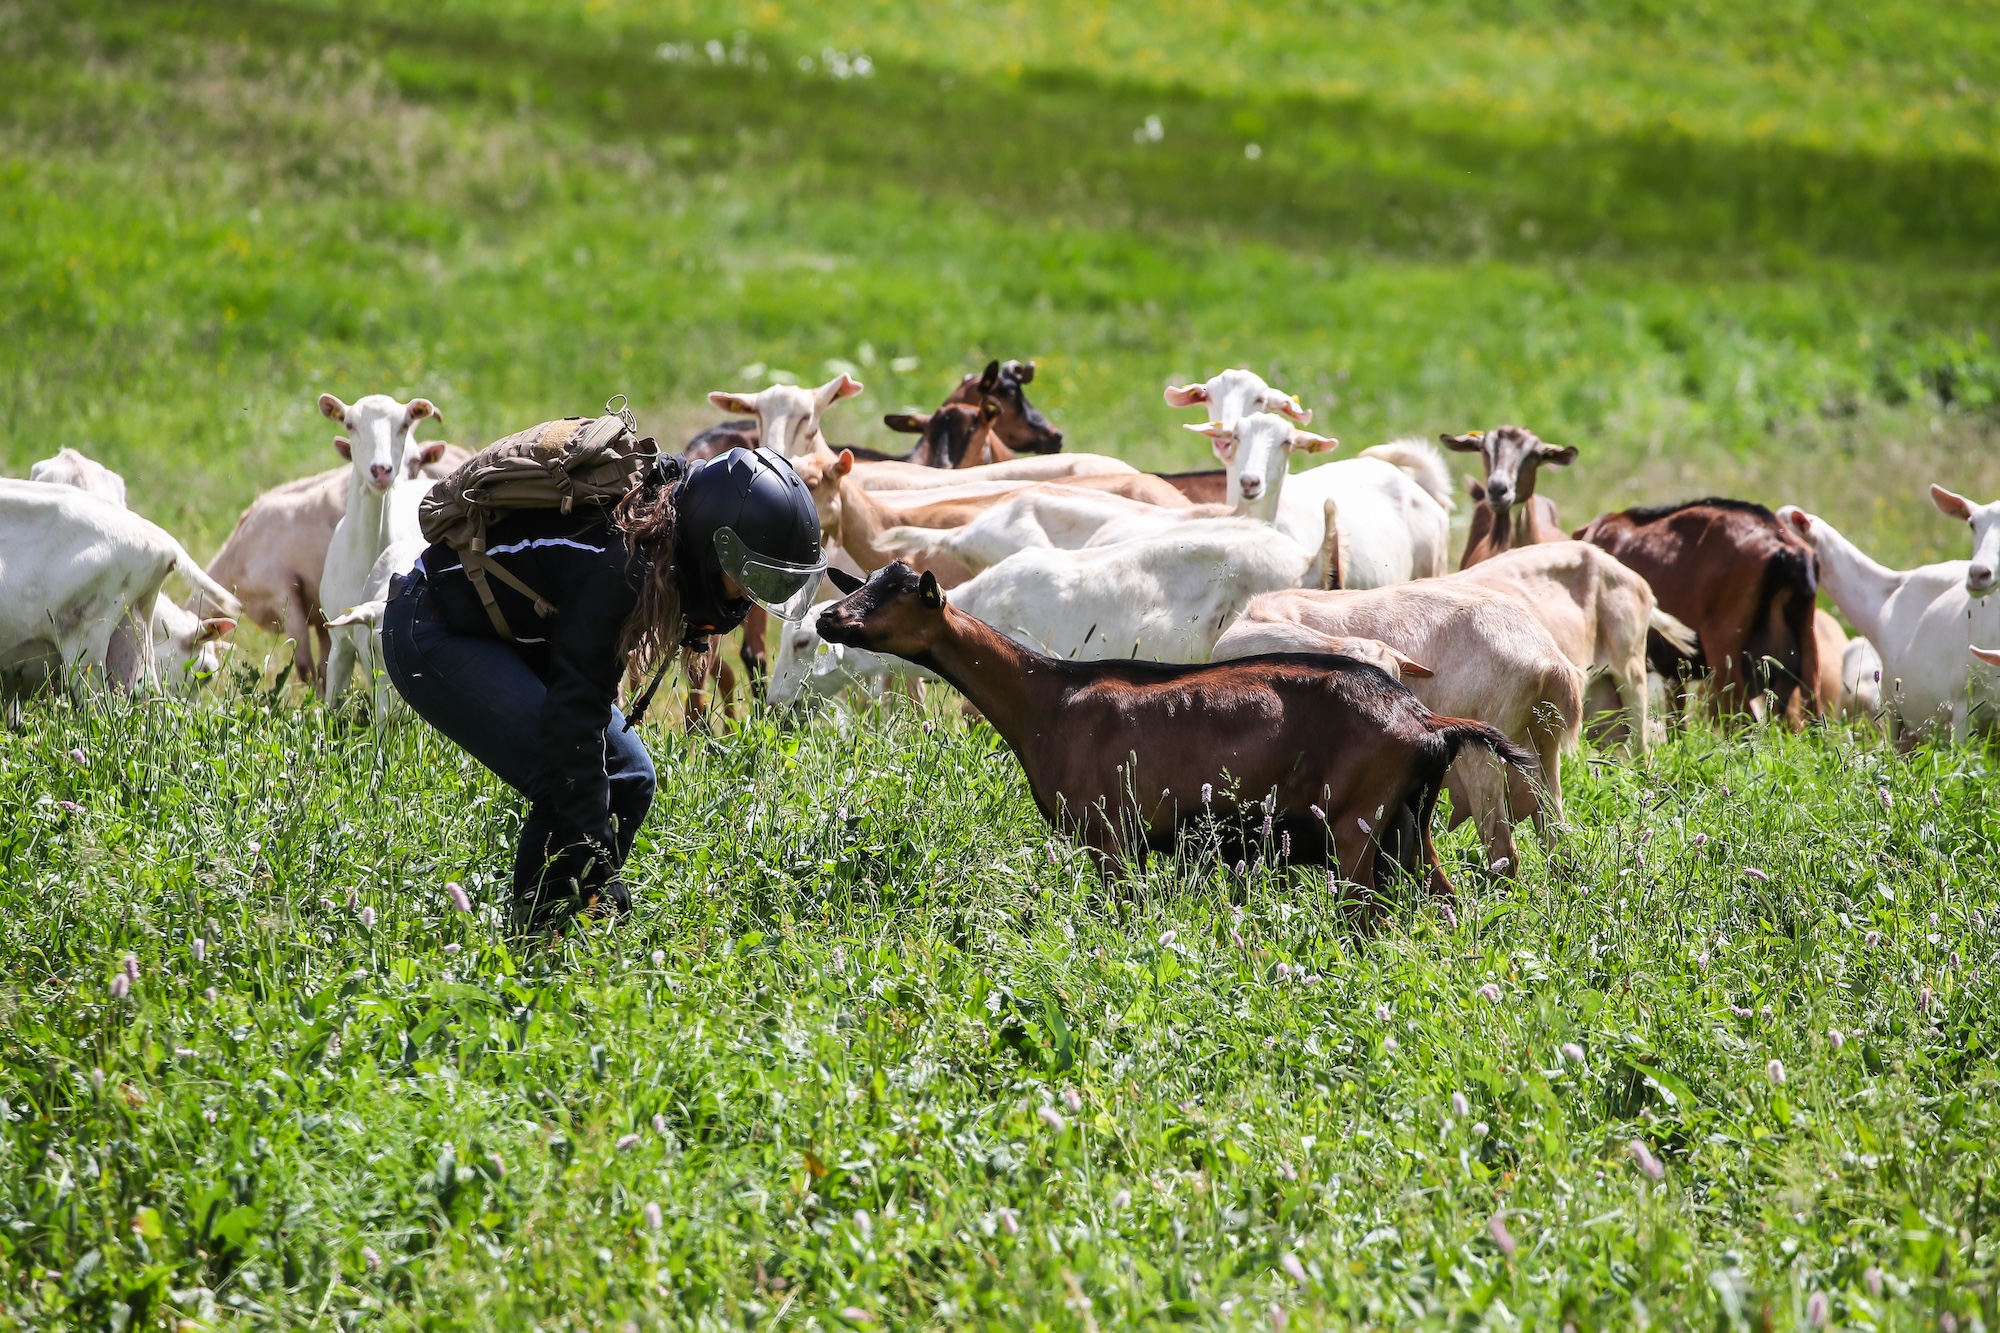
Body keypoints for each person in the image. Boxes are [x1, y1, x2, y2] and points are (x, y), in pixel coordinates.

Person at [382, 445, 826, 931]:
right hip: (431, 626)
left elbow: (586, 717)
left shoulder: (669, 522)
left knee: (630, 775)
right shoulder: (622, 567)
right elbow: (574, 726)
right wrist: (597, 863)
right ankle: (535, 948)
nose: (748, 597)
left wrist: (594, 863)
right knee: (564, 778)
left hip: (505, 627)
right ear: (712, 545)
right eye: (747, 578)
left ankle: (570, 925)